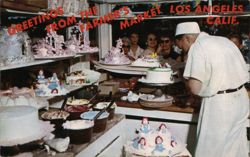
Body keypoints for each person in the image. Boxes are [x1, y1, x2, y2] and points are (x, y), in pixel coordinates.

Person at [175, 22, 249, 157]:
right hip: (241, 100)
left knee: (209, 151)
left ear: (187, 38)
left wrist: (182, 77)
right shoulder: (223, 40)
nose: (184, 50)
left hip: (221, 105)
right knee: (235, 149)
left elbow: (195, 88)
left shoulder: (198, 46)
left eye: (183, 47)